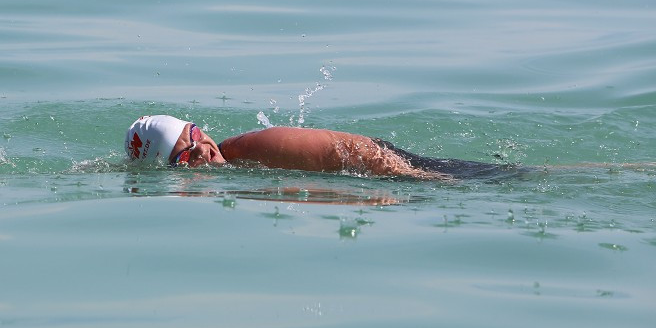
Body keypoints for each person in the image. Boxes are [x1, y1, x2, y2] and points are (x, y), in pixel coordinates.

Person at [124, 114, 515, 179]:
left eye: (194, 134)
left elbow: (358, 152)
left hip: (397, 171)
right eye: (184, 156)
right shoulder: (234, 173)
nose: (201, 150)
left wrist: (420, 179)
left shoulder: (258, 146)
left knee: (513, 180)